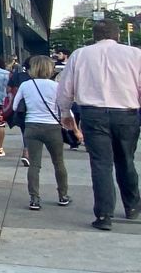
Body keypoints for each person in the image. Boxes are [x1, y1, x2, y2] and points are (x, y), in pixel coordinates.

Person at [56, 20, 141, 231]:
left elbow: (66, 88)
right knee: (126, 160)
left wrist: (66, 112)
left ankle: (104, 215)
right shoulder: (135, 54)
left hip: (93, 114)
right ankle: (132, 206)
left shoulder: (80, 55)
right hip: (126, 114)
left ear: (94, 35)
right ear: (118, 35)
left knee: (101, 164)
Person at [12, 55, 78, 211]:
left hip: (32, 126)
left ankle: (34, 199)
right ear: (50, 69)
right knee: (58, 163)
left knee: (34, 165)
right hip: (52, 127)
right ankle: (63, 195)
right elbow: (65, 109)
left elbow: (15, 107)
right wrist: (76, 129)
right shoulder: (56, 87)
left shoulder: (26, 85)